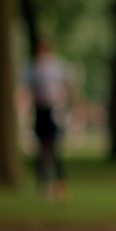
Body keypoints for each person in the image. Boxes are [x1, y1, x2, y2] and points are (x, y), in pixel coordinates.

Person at [27, 40, 73, 202]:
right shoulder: (42, 67)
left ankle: (53, 183)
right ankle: (48, 183)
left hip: (51, 110)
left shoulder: (48, 67)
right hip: (45, 111)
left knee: (50, 149)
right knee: (47, 149)